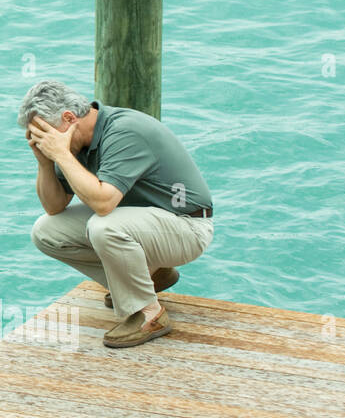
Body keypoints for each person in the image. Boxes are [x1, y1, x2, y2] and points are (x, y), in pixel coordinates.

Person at [17, 79, 215, 348]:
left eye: (46, 134)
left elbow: (103, 204)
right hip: (143, 225)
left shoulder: (124, 131)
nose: (45, 143)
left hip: (187, 227)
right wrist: (44, 162)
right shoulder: (72, 144)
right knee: (46, 232)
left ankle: (148, 314)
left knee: (104, 226)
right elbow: (54, 207)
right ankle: (151, 275)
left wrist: (61, 154)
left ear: (68, 118)